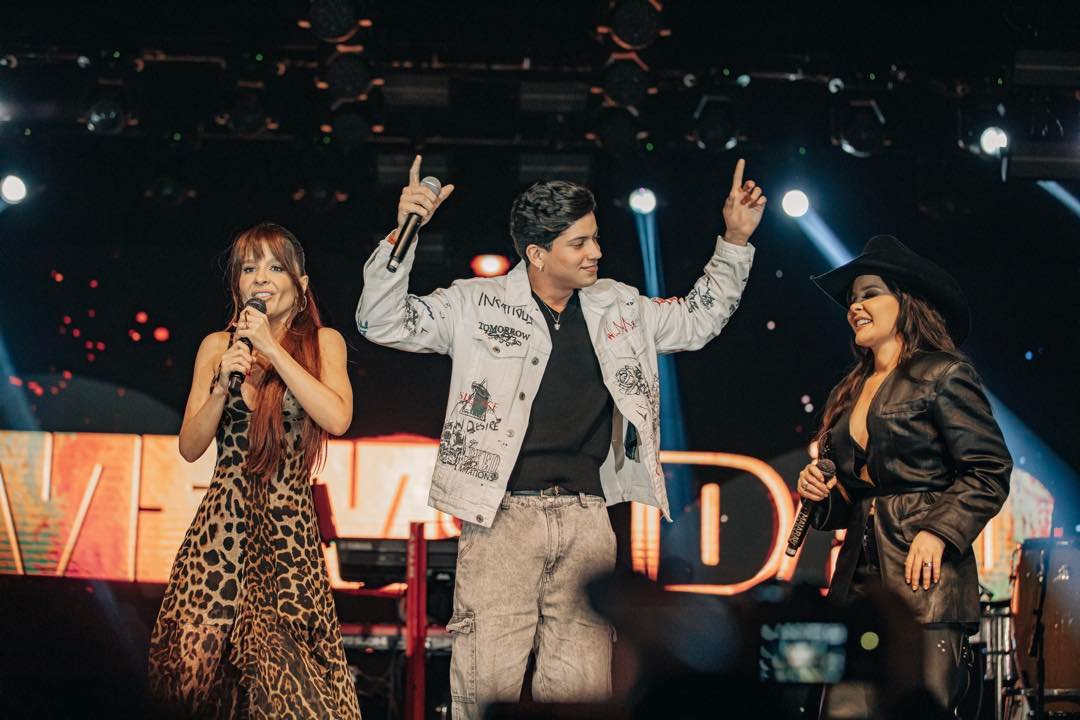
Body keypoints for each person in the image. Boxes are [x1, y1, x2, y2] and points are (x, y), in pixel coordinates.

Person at [357, 156, 766, 718]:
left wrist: (735, 241)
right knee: (484, 687)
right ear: (537, 253)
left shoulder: (620, 306)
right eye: (578, 243)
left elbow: (698, 321)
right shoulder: (474, 303)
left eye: (595, 238)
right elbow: (379, 320)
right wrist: (403, 233)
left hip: (587, 519)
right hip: (500, 519)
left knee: (582, 694)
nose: (595, 252)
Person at [147, 223, 360, 719]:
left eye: (275, 267)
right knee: (196, 680)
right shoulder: (216, 347)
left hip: (288, 536)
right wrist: (221, 387)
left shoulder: (323, 343)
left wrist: (273, 348)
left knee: (290, 687)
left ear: (300, 285)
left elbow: (337, 418)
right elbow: (190, 446)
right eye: (249, 268)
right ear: (237, 285)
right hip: (221, 533)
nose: (260, 278)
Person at [796, 235, 1011, 715]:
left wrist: (938, 531)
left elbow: (989, 469)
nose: (855, 307)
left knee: (916, 708)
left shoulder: (943, 374)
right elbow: (848, 501)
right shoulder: (849, 392)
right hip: (857, 587)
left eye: (869, 294)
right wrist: (821, 492)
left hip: (926, 586)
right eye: (852, 300)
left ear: (906, 301)